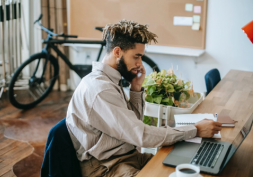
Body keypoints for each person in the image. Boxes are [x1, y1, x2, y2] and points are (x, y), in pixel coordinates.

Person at [66, 19, 222, 177]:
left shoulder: (110, 80)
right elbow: (141, 135)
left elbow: (134, 124)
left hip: (126, 156)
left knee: (183, 165)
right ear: (118, 52)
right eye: (136, 56)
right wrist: (195, 130)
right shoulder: (101, 89)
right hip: (107, 167)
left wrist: (135, 88)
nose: (140, 63)